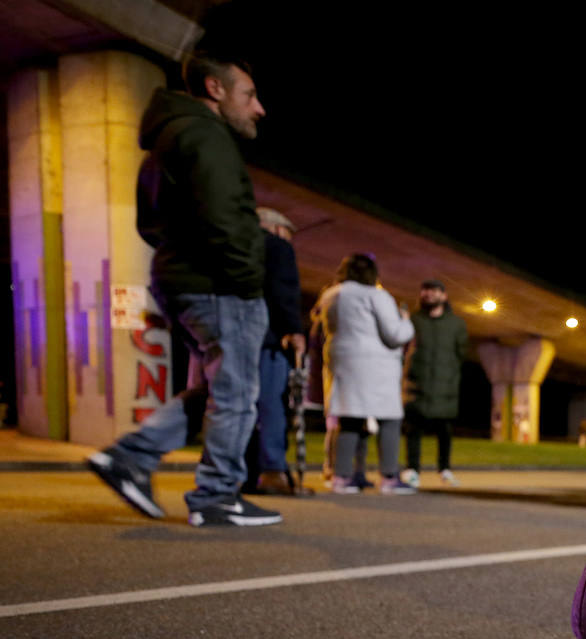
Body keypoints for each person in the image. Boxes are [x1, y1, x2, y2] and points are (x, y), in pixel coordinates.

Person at [86, 49, 281, 528]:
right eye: (250, 96)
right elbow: (222, 222)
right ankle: (216, 496)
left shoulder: (167, 141)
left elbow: (151, 225)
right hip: (219, 287)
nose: (259, 108)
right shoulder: (205, 136)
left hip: (182, 279)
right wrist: (247, 283)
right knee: (234, 395)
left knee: (213, 390)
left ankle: (131, 456)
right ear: (215, 90)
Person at [314, 253, 416, 494]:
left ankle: (343, 476)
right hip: (375, 364)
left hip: (341, 360)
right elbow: (395, 334)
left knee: (349, 419)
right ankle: (390, 477)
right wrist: (406, 322)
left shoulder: (330, 295)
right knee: (390, 419)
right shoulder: (376, 296)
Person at [243, 207, 310, 496]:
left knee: (239, 407)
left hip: (232, 337)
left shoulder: (234, 245)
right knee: (271, 405)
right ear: (277, 228)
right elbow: (283, 290)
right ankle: (272, 471)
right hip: (267, 339)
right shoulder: (276, 246)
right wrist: (294, 330)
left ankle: (243, 472)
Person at [400, 279, 468, 488]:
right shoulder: (413, 320)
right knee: (413, 429)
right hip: (417, 386)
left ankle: (445, 469)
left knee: (445, 431)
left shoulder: (456, 323)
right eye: (425, 291)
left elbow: (461, 353)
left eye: (433, 291)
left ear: (444, 296)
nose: (428, 294)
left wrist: (449, 376)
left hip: (445, 387)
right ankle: (413, 469)